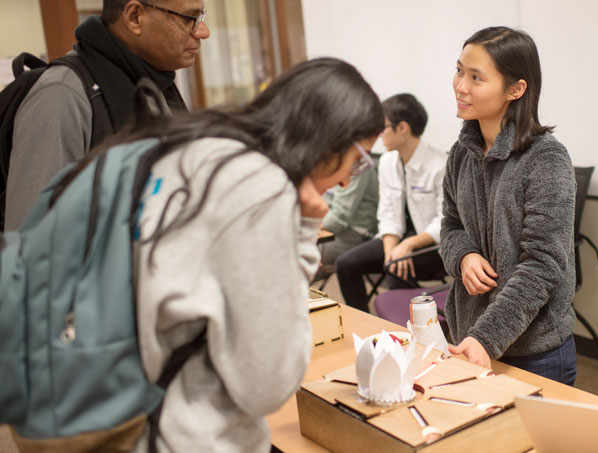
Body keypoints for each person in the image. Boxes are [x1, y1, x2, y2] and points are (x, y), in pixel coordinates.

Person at [53, 57, 383, 450]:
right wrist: (302, 233)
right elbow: (268, 384)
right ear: (328, 139)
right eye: (358, 161)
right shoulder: (259, 192)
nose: (347, 179)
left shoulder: (202, 151)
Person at [441, 26, 578, 386]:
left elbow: (543, 265)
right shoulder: (461, 155)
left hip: (535, 353)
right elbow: (450, 226)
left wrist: (486, 337)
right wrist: (464, 255)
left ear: (515, 90)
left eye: (476, 77)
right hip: (469, 339)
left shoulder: (546, 159)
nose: (460, 86)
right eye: (459, 70)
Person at [4, 0, 210, 230]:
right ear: (134, 17)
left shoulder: (155, 84)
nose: (203, 31)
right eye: (189, 19)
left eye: (200, 17)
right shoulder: (62, 94)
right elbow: (31, 240)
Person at [335, 93, 447, 313]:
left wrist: (408, 245)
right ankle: (366, 323)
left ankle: (409, 330)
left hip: (433, 246)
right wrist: (390, 253)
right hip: (398, 240)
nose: (378, 135)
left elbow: (445, 221)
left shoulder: (440, 165)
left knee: (397, 268)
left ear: (402, 128)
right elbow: (387, 214)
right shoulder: (387, 162)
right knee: (345, 264)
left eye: (382, 127)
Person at [316, 162, 379, 276]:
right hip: (327, 229)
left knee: (296, 255)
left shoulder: (358, 166)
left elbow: (337, 220)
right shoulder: (324, 161)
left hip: (353, 234)